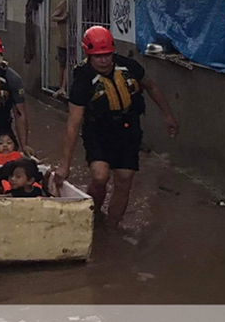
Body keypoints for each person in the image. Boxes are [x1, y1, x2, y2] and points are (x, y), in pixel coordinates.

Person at [54, 26, 178, 229]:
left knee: (124, 179)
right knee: (100, 176)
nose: (104, 60)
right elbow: (73, 123)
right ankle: (92, 215)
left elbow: (151, 86)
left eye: (107, 55)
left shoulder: (128, 66)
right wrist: (65, 164)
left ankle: (111, 229)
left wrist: (168, 115)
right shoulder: (83, 79)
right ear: (89, 55)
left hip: (128, 130)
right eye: (98, 56)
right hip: (98, 131)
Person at [50, 0, 70, 99]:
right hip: (62, 41)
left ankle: (63, 87)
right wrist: (63, 18)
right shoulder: (64, 3)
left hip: (72, 42)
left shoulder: (79, 3)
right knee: (62, 65)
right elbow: (53, 17)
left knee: (67, 65)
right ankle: (60, 87)